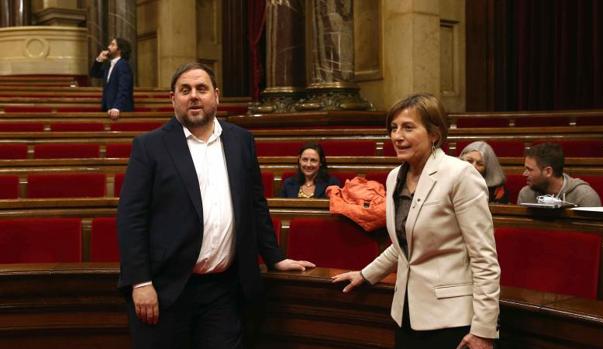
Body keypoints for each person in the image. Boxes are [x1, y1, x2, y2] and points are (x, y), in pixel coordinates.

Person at [116, 62, 315, 349]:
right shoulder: (150, 146)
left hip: (224, 290)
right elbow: (131, 217)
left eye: (201, 89)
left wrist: (275, 258)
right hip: (166, 290)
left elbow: (255, 205)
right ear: (173, 99)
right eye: (185, 90)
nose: (194, 96)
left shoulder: (241, 141)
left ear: (216, 96)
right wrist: (140, 282)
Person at [332, 93, 500, 349]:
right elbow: (405, 244)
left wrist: (484, 330)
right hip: (406, 315)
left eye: (408, 127)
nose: (397, 136)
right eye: (394, 128)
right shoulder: (394, 177)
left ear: (434, 134)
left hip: (451, 320)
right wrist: (366, 274)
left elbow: (484, 258)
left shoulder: (460, 175)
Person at [517, 142, 602, 207]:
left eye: (529, 170)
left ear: (548, 172)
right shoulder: (526, 194)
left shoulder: (584, 197)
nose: (524, 174)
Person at [90, 37, 134, 120]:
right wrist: (99, 59)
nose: (108, 47)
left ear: (119, 49)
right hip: (109, 108)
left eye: (112, 45)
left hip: (119, 110)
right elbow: (94, 74)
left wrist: (117, 107)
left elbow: (124, 88)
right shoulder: (110, 64)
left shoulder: (123, 65)